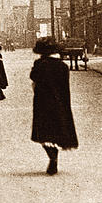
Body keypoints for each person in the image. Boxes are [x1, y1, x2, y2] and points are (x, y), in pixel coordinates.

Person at [29, 37, 79, 175]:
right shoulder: (63, 66)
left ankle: (52, 157)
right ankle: (54, 158)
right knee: (57, 131)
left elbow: (33, 78)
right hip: (60, 102)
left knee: (44, 133)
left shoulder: (39, 64)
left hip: (43, 102)